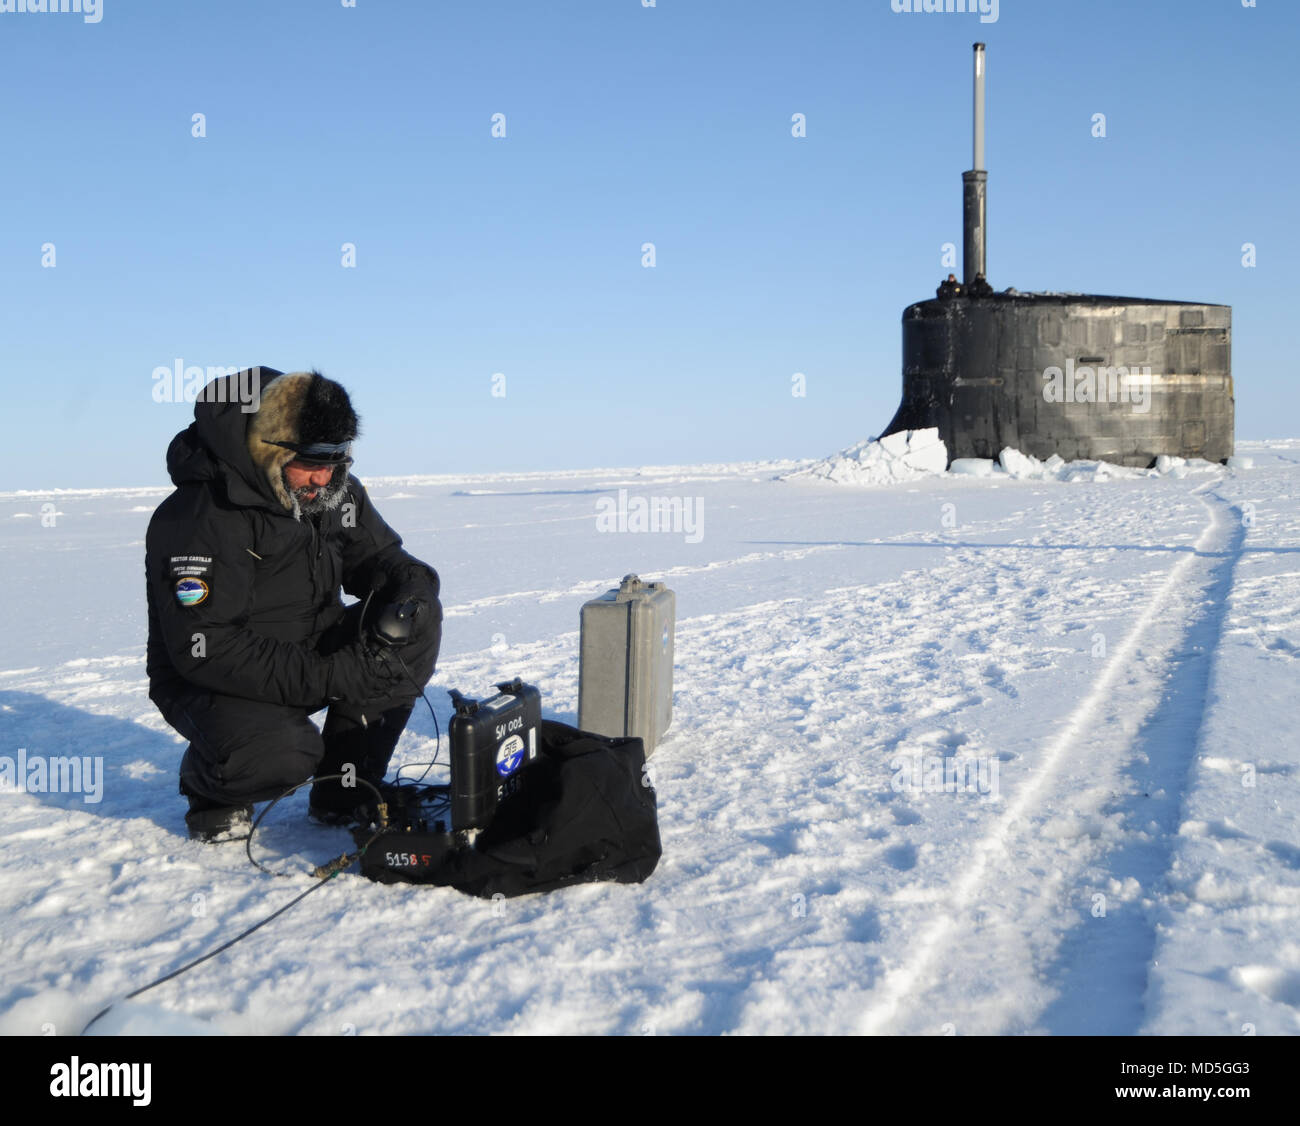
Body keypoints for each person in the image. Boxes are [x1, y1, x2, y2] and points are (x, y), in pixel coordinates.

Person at [145, 367, 442, 841]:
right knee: (285, 756)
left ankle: (345, 789)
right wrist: (338, 673)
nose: (324, 474)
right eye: (311, 460)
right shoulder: (200, 517)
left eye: (335, 457)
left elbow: (382, 557)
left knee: (414, 627)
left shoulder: (329, 488)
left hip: (307, 648)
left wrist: (414, 589)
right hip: (213, 680)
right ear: (270, 450)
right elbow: (208, 647)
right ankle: (211, 787)